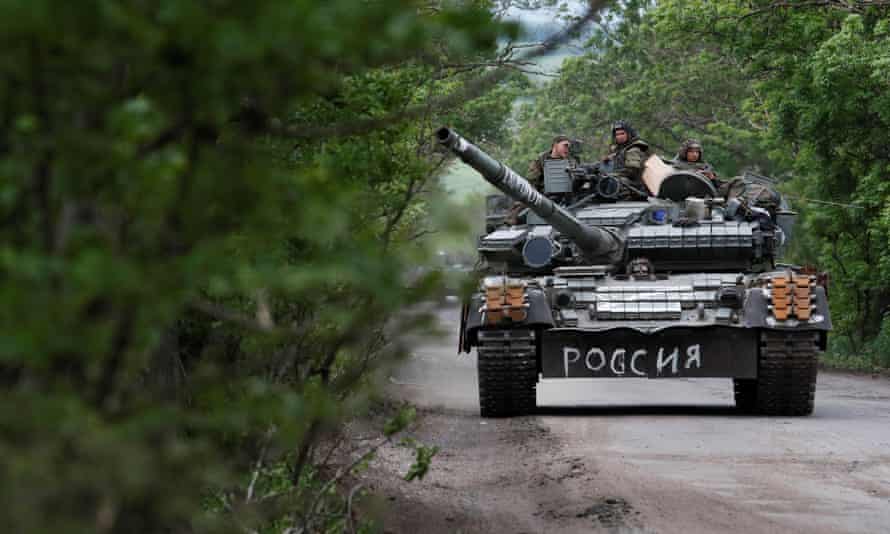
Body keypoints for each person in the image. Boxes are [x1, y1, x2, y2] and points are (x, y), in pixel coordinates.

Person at [601, 120, 650, 196]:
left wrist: (612, 175)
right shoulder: (618, 149)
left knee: (611, 181)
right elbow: (607, 163)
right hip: (622, 180)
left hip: (635, 185)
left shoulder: (635, 148)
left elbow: (631, 171)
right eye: (617, 134)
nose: (619, 136)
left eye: (622, 133)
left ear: (629, 134)